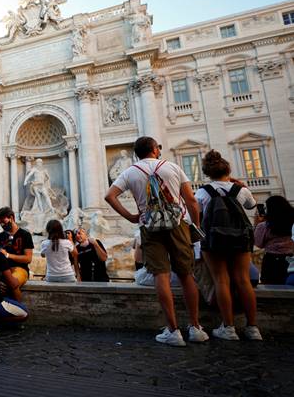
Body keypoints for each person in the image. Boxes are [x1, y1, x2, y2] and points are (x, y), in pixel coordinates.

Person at [105, 136, 209, 347]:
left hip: (149, 227)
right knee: (186, 275)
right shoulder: (172, 167)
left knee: (161, 276)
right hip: (178, 224)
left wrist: (131, 216)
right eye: (158, 147)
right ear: (154, 149)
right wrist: (194, 225)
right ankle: (196, 327)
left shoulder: (130, 172)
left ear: (136, 153)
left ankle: (173, 331)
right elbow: (190, 200)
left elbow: (110, 196)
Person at [194, 150, 261, 341]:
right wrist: (241, 185)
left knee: (220, 280)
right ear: (228, 170)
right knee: (243, 280)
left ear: (207, 173)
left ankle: (229, 328)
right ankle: (253, 328)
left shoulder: (202, 192)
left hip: (214, 240)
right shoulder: (241, 191)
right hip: (240, 239)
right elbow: (251, 206)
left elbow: (195, 216)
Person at [0, 207, 34, 300]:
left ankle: (20, 312)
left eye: (3, 221)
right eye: (0, 222)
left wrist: (8, 255)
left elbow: (28, 259)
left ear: (11, 218)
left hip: (20, 269)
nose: (2, 224)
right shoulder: (2, 235)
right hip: (4, 269)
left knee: (12, 283)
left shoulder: (25, 234)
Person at [255, 195, 294, 285]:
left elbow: (258, 243)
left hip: (271, 261)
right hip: (291, 259)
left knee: (271, 289)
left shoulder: (264, 225)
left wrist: (257, 224)